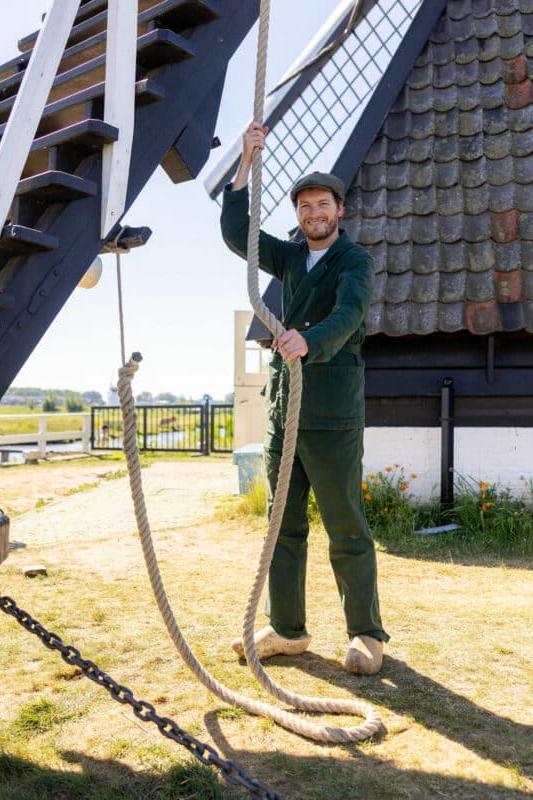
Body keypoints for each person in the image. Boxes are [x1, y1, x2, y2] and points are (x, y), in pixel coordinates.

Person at [220, 122, 389, 675]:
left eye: (323, 204)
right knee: (281, 525)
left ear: (339, 210)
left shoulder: (355, 261)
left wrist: (307, 340)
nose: (313, 213)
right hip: (283, 412)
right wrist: (245, 163)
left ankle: (367, 634)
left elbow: (348, 317)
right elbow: (234, 234)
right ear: (298, 214)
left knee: (346, 527)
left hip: (332, 415)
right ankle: (287, 629)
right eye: (305, 206)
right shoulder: (290, 258)